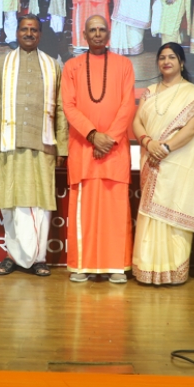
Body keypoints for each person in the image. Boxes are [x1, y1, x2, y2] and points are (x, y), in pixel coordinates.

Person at [0, 17, 69, 276]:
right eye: (24, 29)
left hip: (43, 144)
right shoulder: (3, 63)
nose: (29, 33)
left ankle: (38, 258)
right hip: (9, 143)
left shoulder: (52, 65)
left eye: (34, 30)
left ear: (40, 34)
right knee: (9, 201)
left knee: (39, 203)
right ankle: (12, 255)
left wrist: (62, 147)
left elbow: (61, 109)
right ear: (17, 32)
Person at [60, 16, 137, 282]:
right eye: (92, 29)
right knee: (84, 210)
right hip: (84, 148)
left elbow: (127, 105)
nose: (97, 33)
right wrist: (93, 135)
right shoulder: (71, 66)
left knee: (115, 211)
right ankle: (82, 266)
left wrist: (109, 139)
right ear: (84, 34)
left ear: (108, 34)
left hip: (114, 151)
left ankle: (116, 266)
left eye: (101, 29)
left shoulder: (124, 65)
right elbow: (68, 106)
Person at [132, 43, 194, 285]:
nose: (166, 61)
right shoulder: (150, 92)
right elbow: (137, 122)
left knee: (173, 211)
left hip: (176, 161)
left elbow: (193, 127)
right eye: (162, 57)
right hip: (152, 159)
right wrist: (148, 142)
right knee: (151, 216)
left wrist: (166, 147)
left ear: (181, 62)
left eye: (172, 57)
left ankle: (172, 271)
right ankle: (147, 268)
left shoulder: (192, 93)